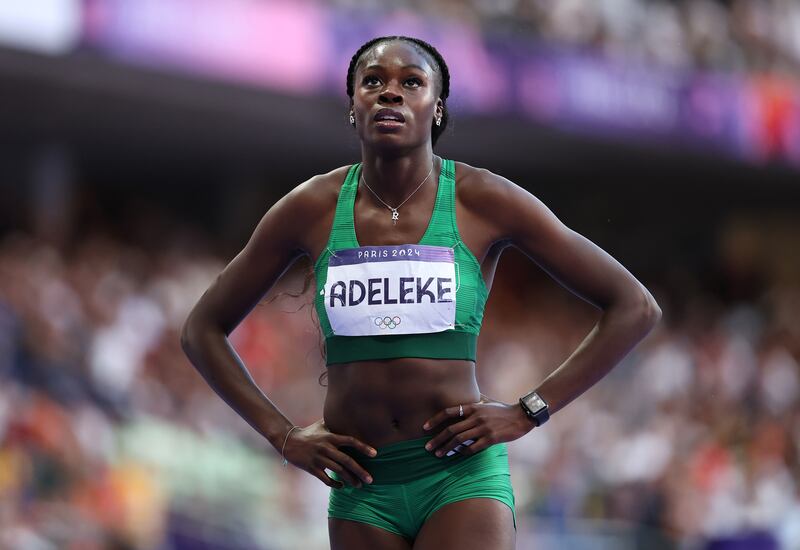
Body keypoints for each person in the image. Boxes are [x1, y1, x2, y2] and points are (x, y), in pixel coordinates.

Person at [180, 35, 661, 550]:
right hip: (361, 484)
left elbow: (634, 306)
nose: (391, 93)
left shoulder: (483, 199)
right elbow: (201, 330)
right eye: (373, 82)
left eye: (411, 82)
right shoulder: (311, 207)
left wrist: (528, 411)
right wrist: (282, 435)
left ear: (436, 108)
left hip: (459, 477)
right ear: (352, 108)